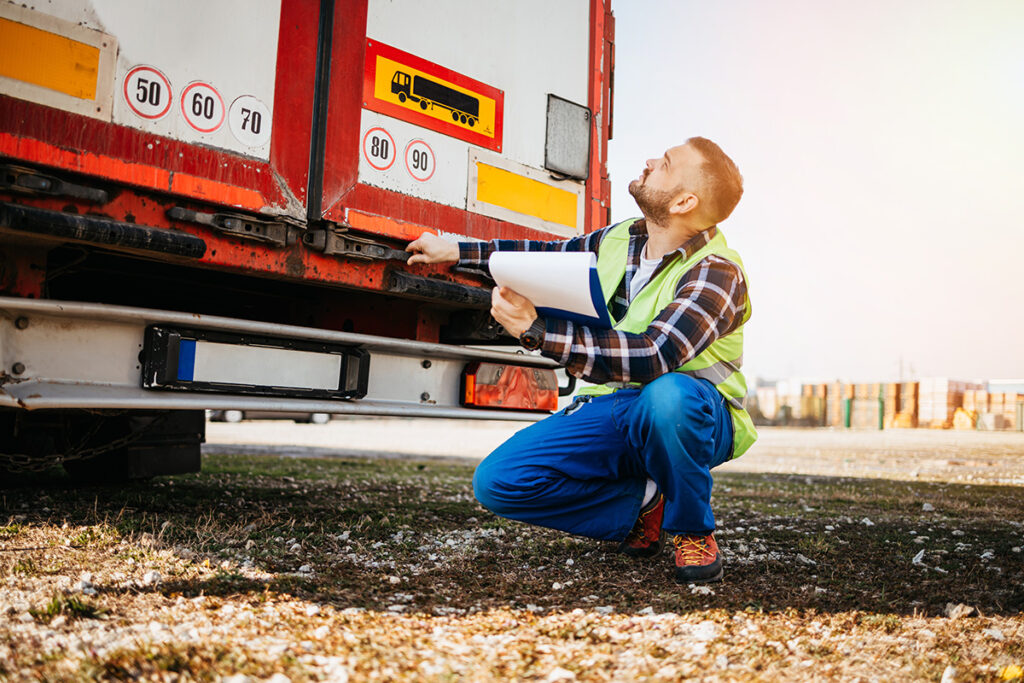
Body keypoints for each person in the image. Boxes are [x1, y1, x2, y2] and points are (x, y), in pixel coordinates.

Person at [406, 137, 755, 584]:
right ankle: (643, 505)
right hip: (612, 410)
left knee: (667, 397)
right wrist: (455, 250)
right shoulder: (619, 239)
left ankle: (691, 528)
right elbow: (542, 258)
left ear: (686, 201)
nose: (650, 161)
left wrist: (538, 333)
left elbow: (654, 356)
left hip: (692, 416)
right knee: (498, 481)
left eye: (665, 164)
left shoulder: (717, 270)